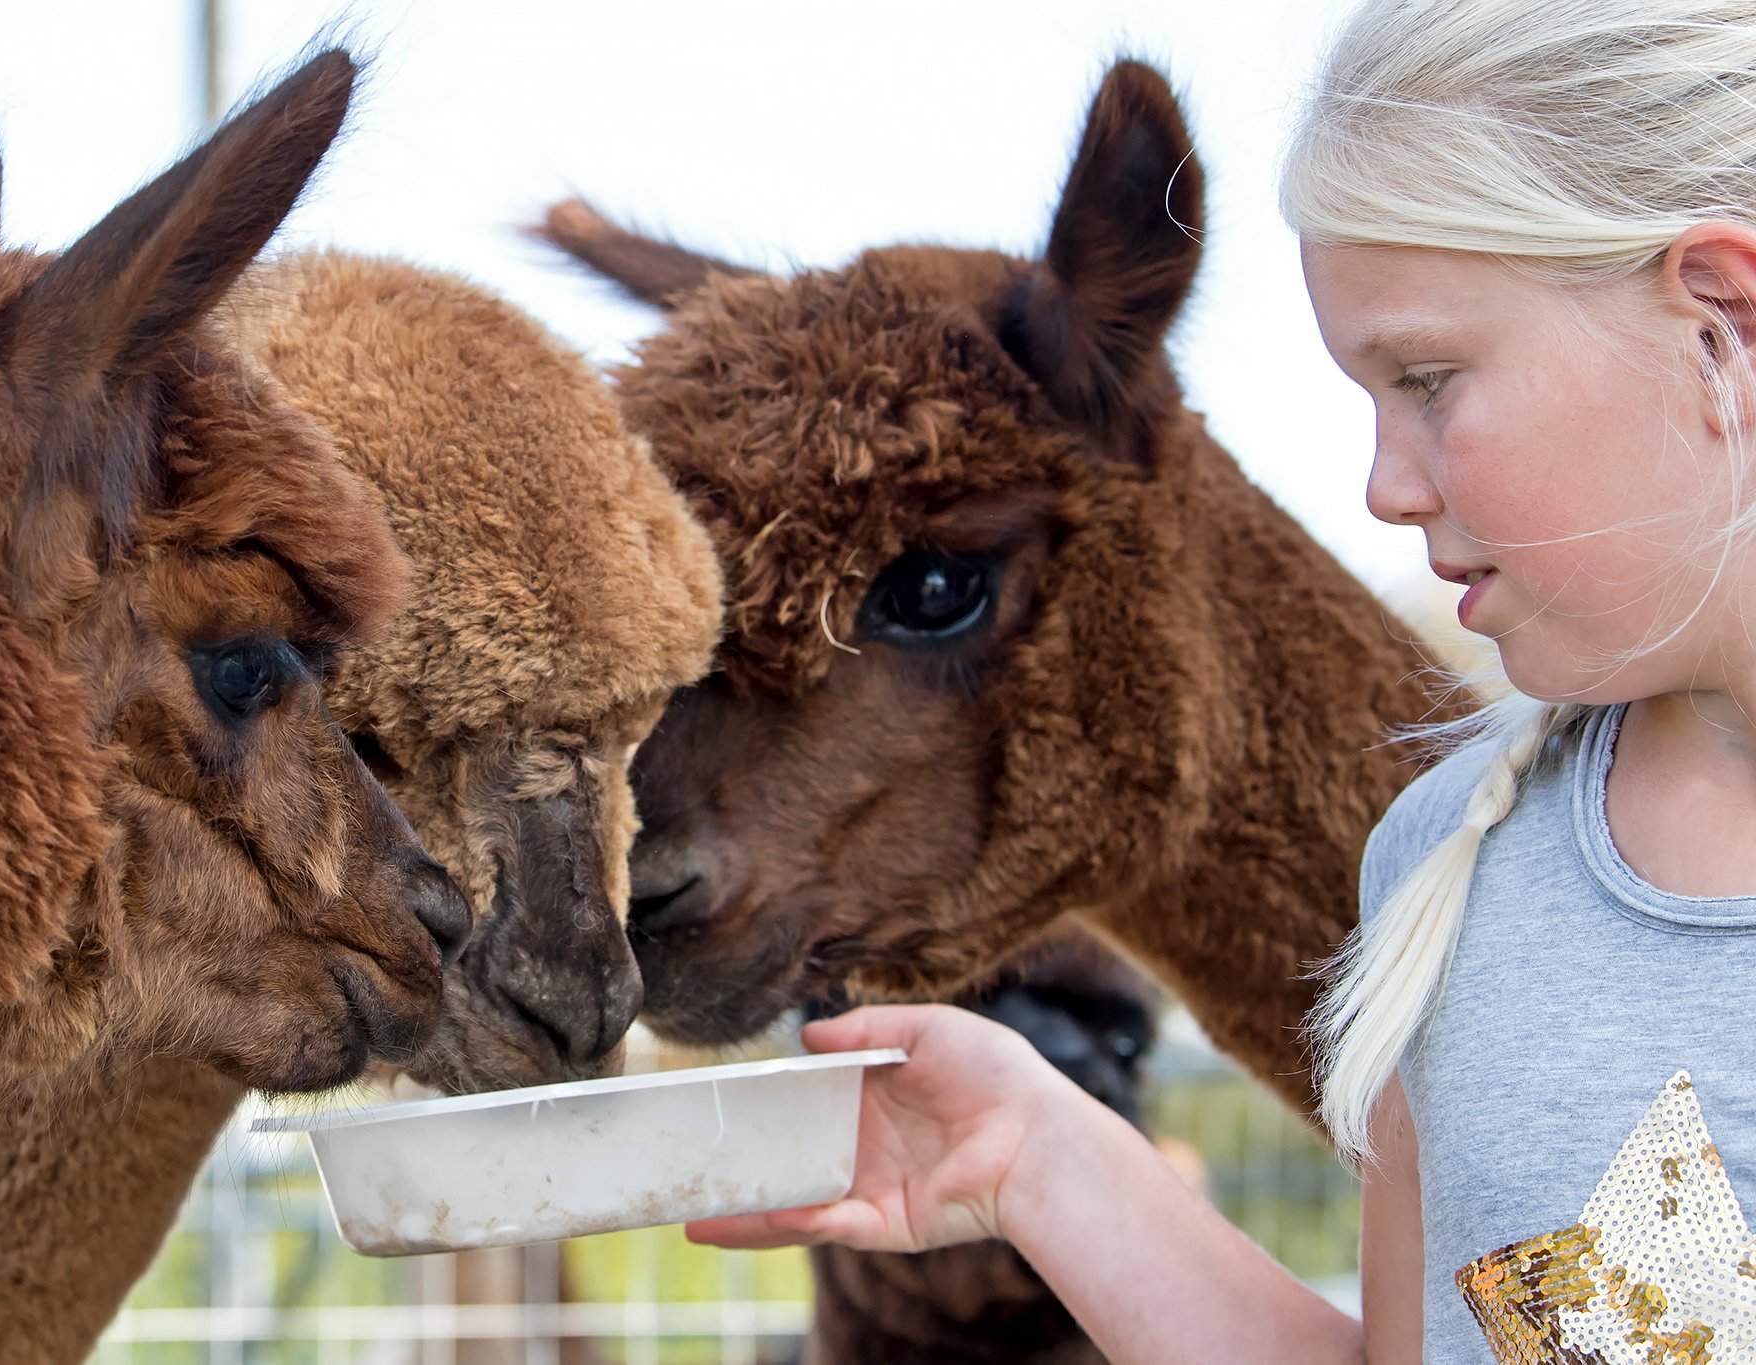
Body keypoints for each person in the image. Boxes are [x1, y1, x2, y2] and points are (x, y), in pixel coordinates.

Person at [690, 4, 1756, 1360]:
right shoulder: (1456, 864)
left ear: (1722, 315)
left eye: (1428, 380)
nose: (1385, 483)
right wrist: (1036, 1150)